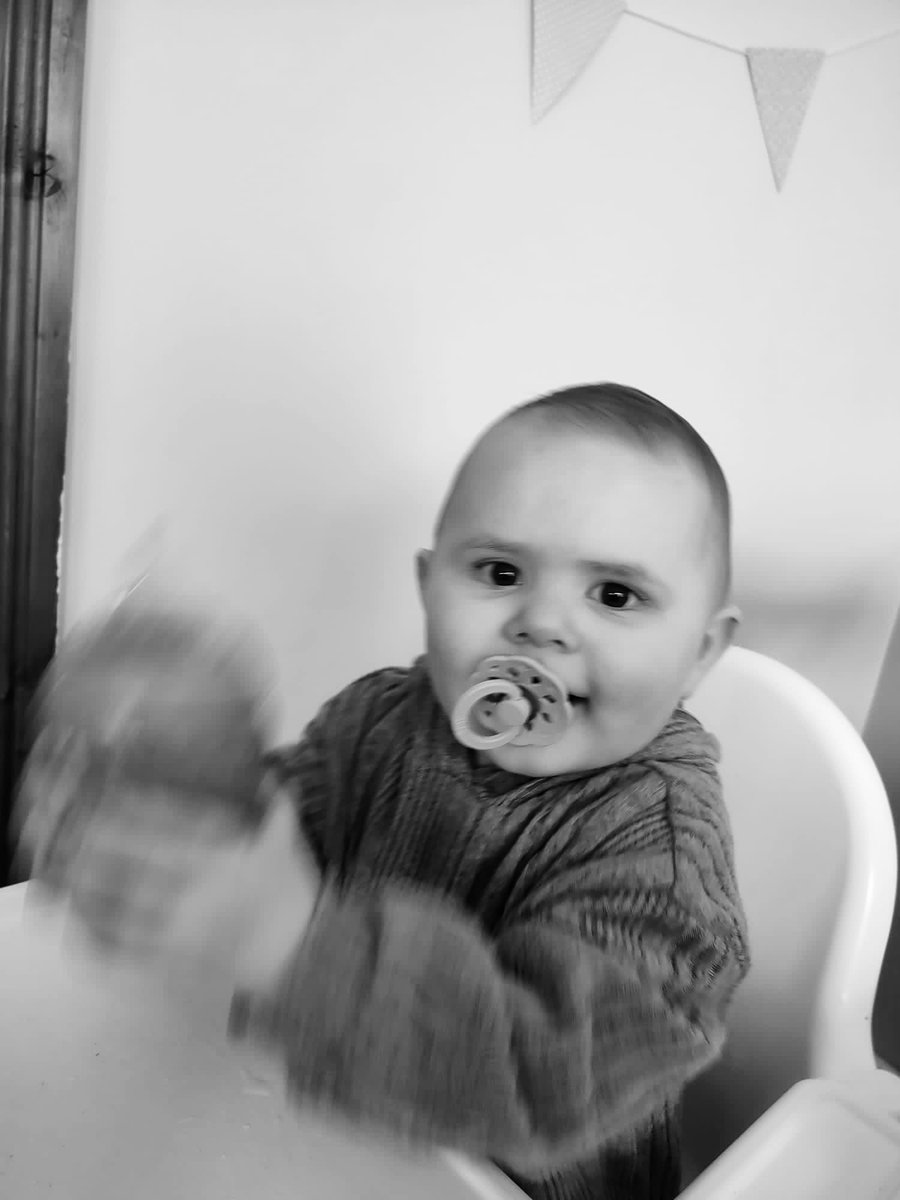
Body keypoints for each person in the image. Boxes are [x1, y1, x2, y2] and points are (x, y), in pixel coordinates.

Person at [17, 382, 750, 1200]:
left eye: (615, 595)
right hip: (323, 1119)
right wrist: (166, 804)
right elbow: (282, 831)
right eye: (500, 571)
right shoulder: (380, 718)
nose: (543, 623)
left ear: (699, 654)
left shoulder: (664, 851)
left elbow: (550, 1081)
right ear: (430, 586)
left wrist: (293, 943)